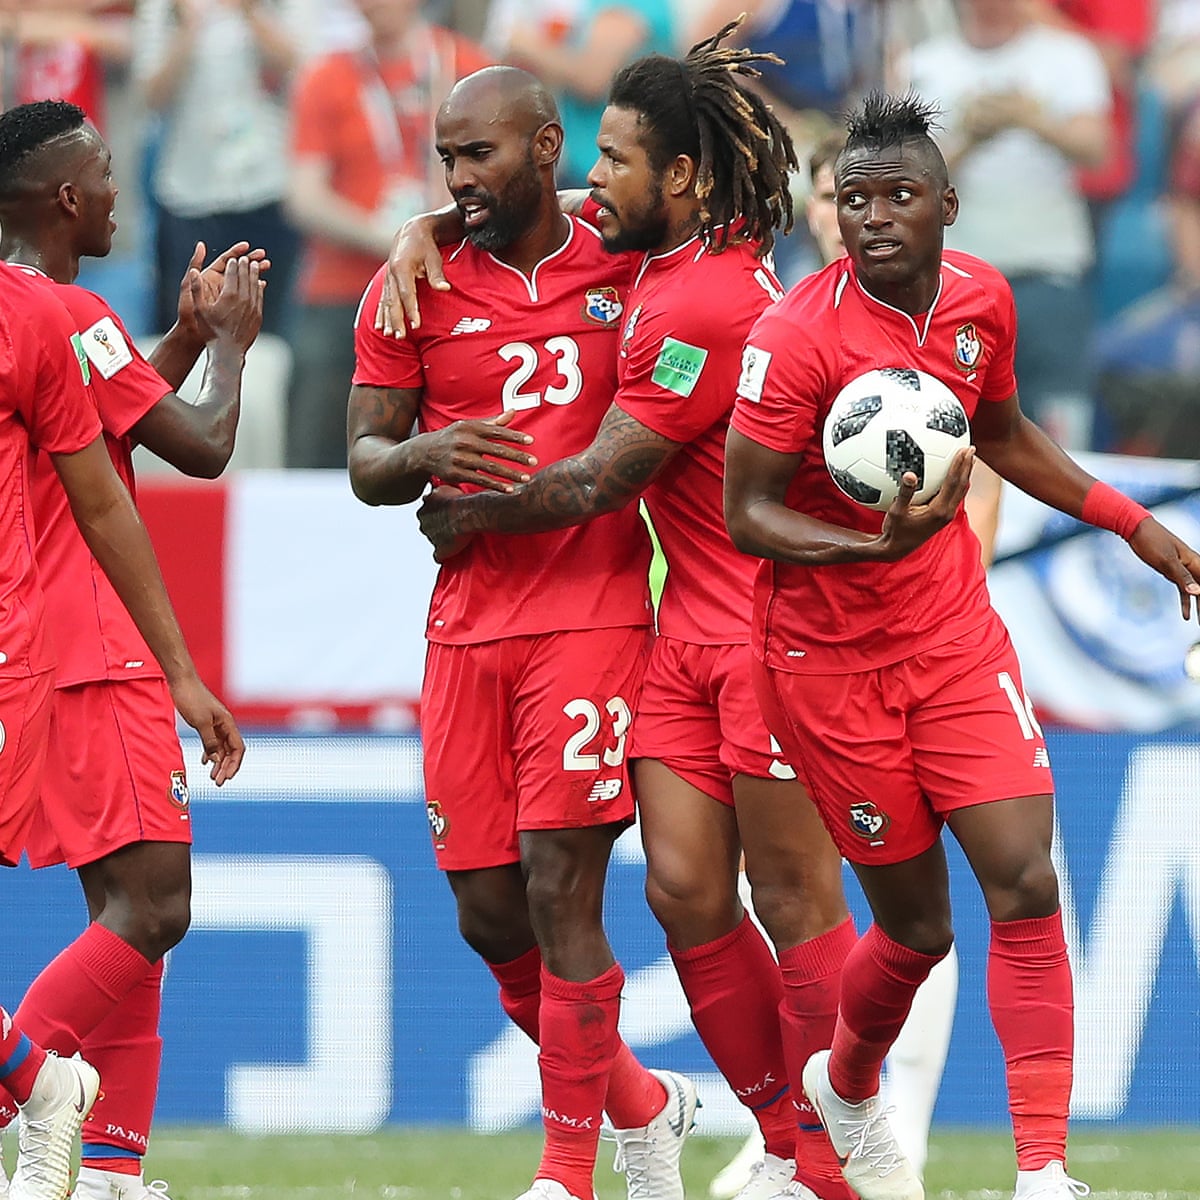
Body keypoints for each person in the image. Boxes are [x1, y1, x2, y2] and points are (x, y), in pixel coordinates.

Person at [397, 27, 859, 1200]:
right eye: (588, 160)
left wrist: (472, 517)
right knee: (682, 896)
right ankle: (768, 1138)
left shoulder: (696, 302)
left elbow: (602, 478)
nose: (590, 183)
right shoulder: (664, 255)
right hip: (684, 637)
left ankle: (845, 1144)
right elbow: (542, 204)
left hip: (768, 629)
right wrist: (437, 224)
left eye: (613, 163)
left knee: (790, 897)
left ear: (683, 180)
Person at [723, 91, 1200, 1200]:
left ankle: (1043, 1169)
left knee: (1026, 878)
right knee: (917, 927)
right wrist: (864, 548)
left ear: (947, 204)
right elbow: (748, 514)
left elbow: (1001, 433)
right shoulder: (792, 337)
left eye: (898, 197)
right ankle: (846, 1084)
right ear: (828, 213)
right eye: (852, 201)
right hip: (826, 666)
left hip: (951, 643)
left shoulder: (982, 298)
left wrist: (1133, 523)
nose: (873, 217)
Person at [348, 66, 697, 1200]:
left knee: (561, 889)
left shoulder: (629, 259)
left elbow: (721, 244)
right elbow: (364, 461)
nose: (457, 179)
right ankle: (647, 1108)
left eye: (479, 155)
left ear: (548, 147)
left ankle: (566, 1176)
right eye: (445, 161)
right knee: (489, 913)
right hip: (465, 626)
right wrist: (421, 457)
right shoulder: (412, 278)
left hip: (592, 611)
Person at [0, 98, 262, 1200]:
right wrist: (235, 353)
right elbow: (190, 448)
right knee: (154, 904)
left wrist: (187, 340)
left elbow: (110, 412)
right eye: (106, 175)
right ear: (68, 197)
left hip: (31, 639)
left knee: (130, 902)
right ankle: (38, 1083)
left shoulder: (59, 319)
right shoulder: (62, 315)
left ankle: (109, 1169)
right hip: (84, 640)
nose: (121, 192)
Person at [285, 0, 489, 468]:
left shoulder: (469, 69)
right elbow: (304, 196)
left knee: (453, 439)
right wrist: (392, 238)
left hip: (445, 285)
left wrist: (429, 230)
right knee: (318, 450)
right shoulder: (328, 76)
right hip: (344, 291)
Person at [903, 0, 1112, 451]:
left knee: (1062, 427)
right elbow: (906, 179)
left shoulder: (1067, 55)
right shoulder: (925, 63)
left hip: (1046, 266)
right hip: (956, 277)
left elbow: (1097, 148)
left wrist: (1028, 117)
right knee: (953, 431)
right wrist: (971, 137)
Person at [133, 0, 298, 336]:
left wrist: (249, 12)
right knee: (190, 324)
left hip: (265, 187)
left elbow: (297, 65)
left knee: (269, 328)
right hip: (190, 191)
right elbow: (150, 96)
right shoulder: (162, 8)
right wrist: (186, 30)